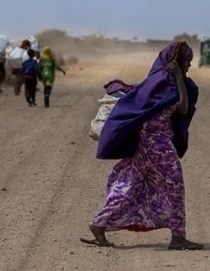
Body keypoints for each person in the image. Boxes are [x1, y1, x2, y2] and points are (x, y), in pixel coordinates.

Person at [82, 41, 202, 250]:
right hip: (157, 144)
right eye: (187, 62)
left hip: (143, 144)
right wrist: (180, 80)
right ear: (176, 62)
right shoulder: (168, 82)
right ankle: (178, 237)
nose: (189, 67)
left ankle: (99, 223)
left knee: (133, 182)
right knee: (174, 184)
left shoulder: (155, 80)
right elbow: (182, 107)